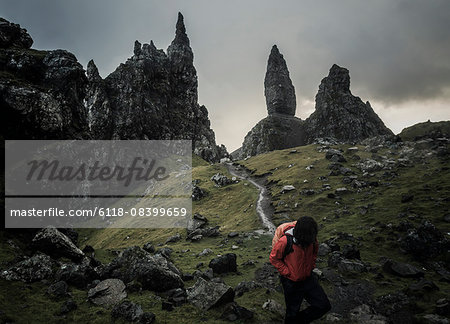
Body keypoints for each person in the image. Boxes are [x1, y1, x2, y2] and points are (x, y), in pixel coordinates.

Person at [270, 216, 331, 324]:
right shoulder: (285, 241)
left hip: (308, 278)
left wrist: (311, 266)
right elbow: (274, 258)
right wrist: (287, 272)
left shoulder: (311, 239)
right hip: (291, 282)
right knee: (292, 312)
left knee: (324, 305)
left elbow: (314, 252)